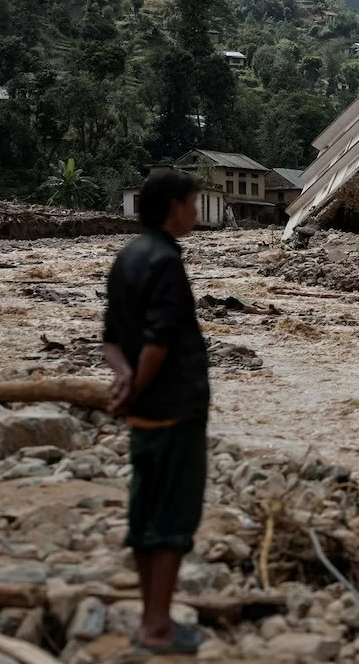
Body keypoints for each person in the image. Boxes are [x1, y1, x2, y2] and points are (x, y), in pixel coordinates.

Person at [102, 169, 209, 655]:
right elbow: (159, 342)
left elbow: (109, 339)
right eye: (192, 203)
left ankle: (149, 616)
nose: (195, 211)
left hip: (144, 415)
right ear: (172, 208)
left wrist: (124, 384)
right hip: (173, 410)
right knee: (171, 521)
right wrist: (138, 384)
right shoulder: (166, 262)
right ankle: (158, 628)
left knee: (145, 515)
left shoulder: (127, 256)